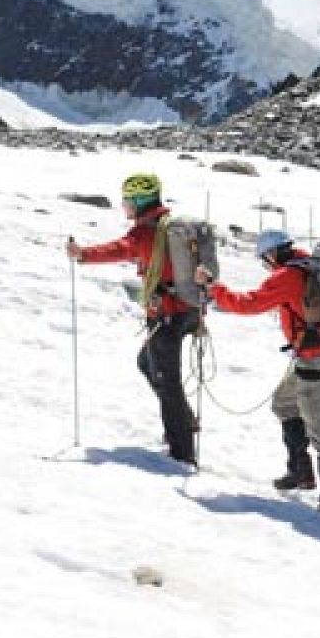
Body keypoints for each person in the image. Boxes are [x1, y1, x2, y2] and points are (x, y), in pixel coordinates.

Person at [195, 230, 320, 521]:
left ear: (271, 254)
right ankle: (300, 471)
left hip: (316, 357)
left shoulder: (288, 275)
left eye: (264, 260)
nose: (265, 265)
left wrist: (214, 289)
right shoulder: (312, 266)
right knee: (284, 402)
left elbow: (248, 303)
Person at [69, 173, 199, 465]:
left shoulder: (146, 232)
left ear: (140, 201)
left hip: (168, 314)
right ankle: (184, 420)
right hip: (188, 310)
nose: (124, 206)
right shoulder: (173, 226)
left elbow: (119, 249)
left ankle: (182, 452)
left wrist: (83, 254)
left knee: (167, 381)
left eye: (127, 200)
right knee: (147, 363)